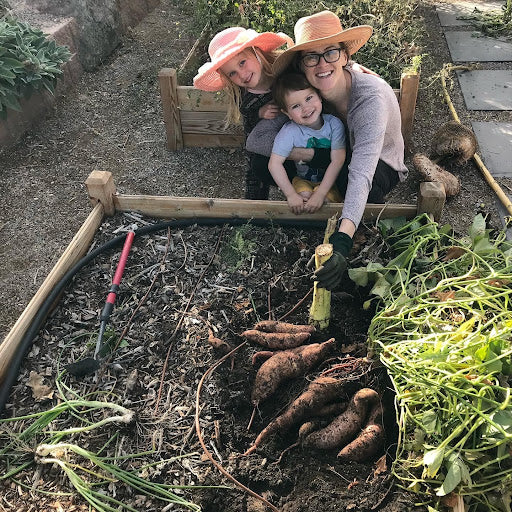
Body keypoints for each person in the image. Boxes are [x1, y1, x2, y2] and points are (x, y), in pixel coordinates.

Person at [248, 10, 409, 290]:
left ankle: (342, 221)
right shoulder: (309, 93)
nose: (322, 64)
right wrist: (304, 153)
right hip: (330, 157)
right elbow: (257, 142)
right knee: (263, 162)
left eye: (331, 53)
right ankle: (314, 203)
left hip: (378, 164)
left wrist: (342, 242)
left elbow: (362, 171)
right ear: (303, 66)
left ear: (346, 56)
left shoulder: (369, 99)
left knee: (356, 187)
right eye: (312, 56)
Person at [193, 27, 295, 200]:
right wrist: (259, 114)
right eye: (232, 73)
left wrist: (349, 66)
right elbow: (251, 138)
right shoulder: (245, 98)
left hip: (302, 132)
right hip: (270, 144)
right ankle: (258, 203)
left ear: (256, 52)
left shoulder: (284, 67)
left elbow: (311, 66)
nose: (242, 74)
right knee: (258, 166)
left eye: (242, 63)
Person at [269, 72, 345, 215]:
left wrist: (320, 193)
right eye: (296, 106)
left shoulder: (334, 124)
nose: (305, 108)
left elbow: (338, 160)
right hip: (303, 180)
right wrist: (291, 195)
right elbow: (274, 164)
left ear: (320, 96)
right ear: (287, 113)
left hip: (331, 181)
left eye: (309, 98)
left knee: (324, 203)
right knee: (304, 201)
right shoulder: (289, 131)